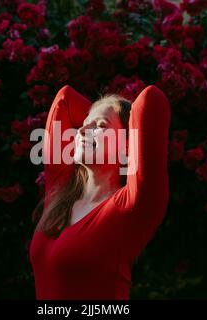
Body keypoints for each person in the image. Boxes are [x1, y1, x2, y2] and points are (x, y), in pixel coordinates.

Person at [29, 84, 171, 299]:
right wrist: (101, 113)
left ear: (128, 144)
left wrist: (112, 114)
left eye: (100, 126)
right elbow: (64, 99)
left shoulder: (132, 206)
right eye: (84, 125)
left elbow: (152, 100)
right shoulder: (60, 196)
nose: (83, 130)